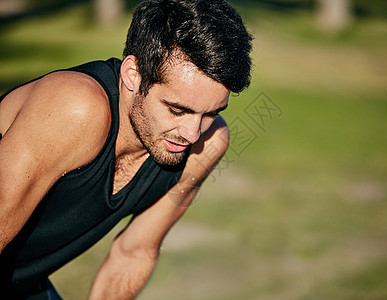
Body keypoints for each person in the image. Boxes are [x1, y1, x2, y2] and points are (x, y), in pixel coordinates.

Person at [0, 0, 252, 298]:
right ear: (133, 74)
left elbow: (134, 252)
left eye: (210, 113)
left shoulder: (207, 145)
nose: (192, 133)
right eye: (177, 109)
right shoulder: (75, 108)